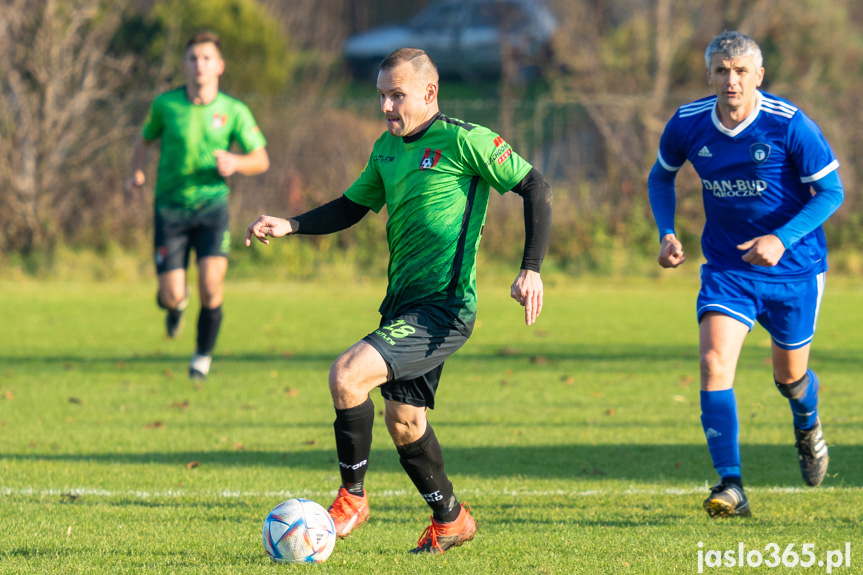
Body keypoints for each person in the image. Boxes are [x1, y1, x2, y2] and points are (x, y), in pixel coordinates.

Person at [246, 47, 552, 554]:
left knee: (347, 375)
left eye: (397, 95)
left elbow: (536, 186)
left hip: (444, 308)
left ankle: (352, 496)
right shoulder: (385, 150)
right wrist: (292, 224)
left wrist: (531, 269)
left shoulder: (464, 140)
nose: (387, 107)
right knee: (405, 422)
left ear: (429, 93)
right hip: (402, 306)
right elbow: (351, 206)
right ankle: (450, 519)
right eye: (381, 96)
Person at [648, 31, 843, 518]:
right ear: (709, 74)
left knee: (790, 377)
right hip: (728, 267)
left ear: (759, 75)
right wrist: (667, 233)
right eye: (722, 70)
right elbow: (661, 176)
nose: (731, 80)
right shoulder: (688, 123)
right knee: (714, 361)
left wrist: (781, 239)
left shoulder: (789, 124)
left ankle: (807, 421)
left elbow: (832, 192)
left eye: (741, 71)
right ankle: (731, 485)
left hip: (795, 269)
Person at [125, 31, 269, 380]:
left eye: (206, 58)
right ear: (184, 64)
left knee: (211, 285)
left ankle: (202, 357)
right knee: (173, 294)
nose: (199, 64)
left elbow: (261, 159)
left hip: (212, 208)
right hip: (170, 209)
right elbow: (142, 141)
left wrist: (236, 163)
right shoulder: (166, 105)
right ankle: (175, 307)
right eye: (193, 58)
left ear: (219, 65)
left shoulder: (234, 110)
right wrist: (137, 173)